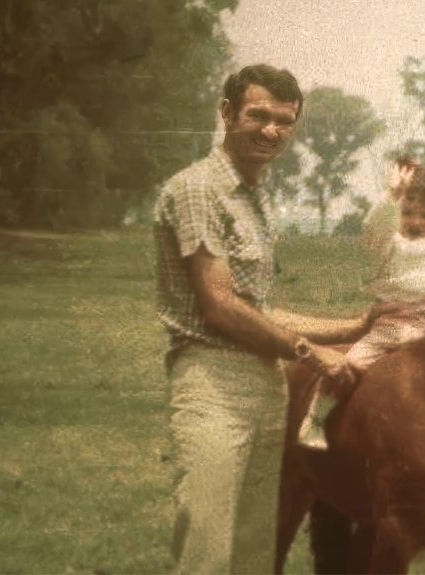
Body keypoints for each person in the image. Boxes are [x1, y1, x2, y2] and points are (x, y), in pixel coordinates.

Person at [153, 63, 383, 574]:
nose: (271, 130)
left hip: (265, 384)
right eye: (258, 116)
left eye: (284, 120)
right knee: (208, 552)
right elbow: (219, 306)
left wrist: (352, 326)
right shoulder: (198, 189)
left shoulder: (256, 198)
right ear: (227, 113)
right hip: (212, 382)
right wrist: (308, 351)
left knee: (255, 553)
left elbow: (258, 310)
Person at [299, 163, 425, 445]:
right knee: (349, 363)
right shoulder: (392, 243)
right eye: (407, 213)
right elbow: (377, 227)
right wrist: (392, 194)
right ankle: (315, 420)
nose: (416, 222)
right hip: (391, 326)